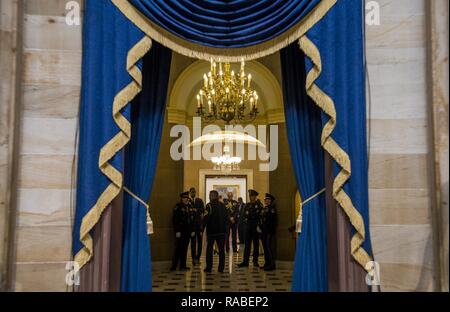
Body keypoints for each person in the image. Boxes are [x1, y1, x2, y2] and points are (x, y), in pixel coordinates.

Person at [203, 190, 228, 273]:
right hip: (222, 232)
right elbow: (226, 218)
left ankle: (209, 268)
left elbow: (205, 219)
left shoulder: (208, 206)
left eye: (210, 195)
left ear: (213, 196)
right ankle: (221, 268)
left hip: (212, 232)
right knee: (221, 251)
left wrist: (201, 229)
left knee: (209, 250)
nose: (209, 197)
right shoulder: (223, 205)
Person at [238, 189, 263, 268]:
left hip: (255, 227)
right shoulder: (247, 205)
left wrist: (259, 226)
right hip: (248, 227)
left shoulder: (259, 205)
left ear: (255, 197)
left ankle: (255, 261)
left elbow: (260, 216)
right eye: (250, 196)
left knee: (256, 245)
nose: (251, 197)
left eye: (252, 196)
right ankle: (245, 262)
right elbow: (244, 216)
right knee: (247, 245)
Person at [170, 191, 193, 271]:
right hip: (180, 231)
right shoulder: (178, 207)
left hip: (187, 232)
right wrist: (177, 231)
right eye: (184, 198)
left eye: (187, 198)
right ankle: (174, 266)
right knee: (178, 249)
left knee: (185, 249)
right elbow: (175, 220)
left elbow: (191, 220)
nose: (186, 199)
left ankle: (183, 265)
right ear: (181, 199)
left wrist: (192, 230)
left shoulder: (190, 207)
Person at [260, 193, 277, 271]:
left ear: (270, 201)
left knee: (268, 247)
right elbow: (262, 219)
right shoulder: (265, 208)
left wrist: (267, 229)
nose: (265, 201)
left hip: (269, 231)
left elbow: (271, 221)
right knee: (265, 248)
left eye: (267, 200)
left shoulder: (272, 209)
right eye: (265, 200)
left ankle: (271, 264)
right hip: (264, 231)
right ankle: (266, 263)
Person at [188, 187, 205, 265]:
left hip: (199, 225)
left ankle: (198, 258)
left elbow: (203, 210)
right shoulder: (188, 201)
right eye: (192, 192)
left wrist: (196, 210)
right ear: (190, 193)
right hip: (192, 226)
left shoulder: (199, 200)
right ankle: (193, 258)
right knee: (193, 243)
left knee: (200, 243)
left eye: (194, 192)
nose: (193, 193)